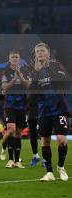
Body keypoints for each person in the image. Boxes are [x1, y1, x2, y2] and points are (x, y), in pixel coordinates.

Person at [31, 42, 68, 182]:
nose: (39, 53)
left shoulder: (56, 65)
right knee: (45, 141)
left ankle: (61, 166)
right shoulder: (35, 72)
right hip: (43, 111)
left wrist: (45, 68)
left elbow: (63, 81)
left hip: (59, 109)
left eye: (42, 51)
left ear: (48, 53)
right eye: (37, 51)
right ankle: (49, 173)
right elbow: (32, 95)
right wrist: (35, 75)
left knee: (61, 140)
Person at [1, 50, 31, 168]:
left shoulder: (25, 70)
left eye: (16, 57)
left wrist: (20, 76)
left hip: (22, 105)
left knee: (18, 133)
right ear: (9, 59)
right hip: (10, 105)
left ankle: (17, 160)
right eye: (12, 57)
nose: (14, 59)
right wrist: (14, 79)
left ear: (19, 59)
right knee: (11, 130)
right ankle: (10, 159)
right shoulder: (6, 71)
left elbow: (28, 85)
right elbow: (4, 87)